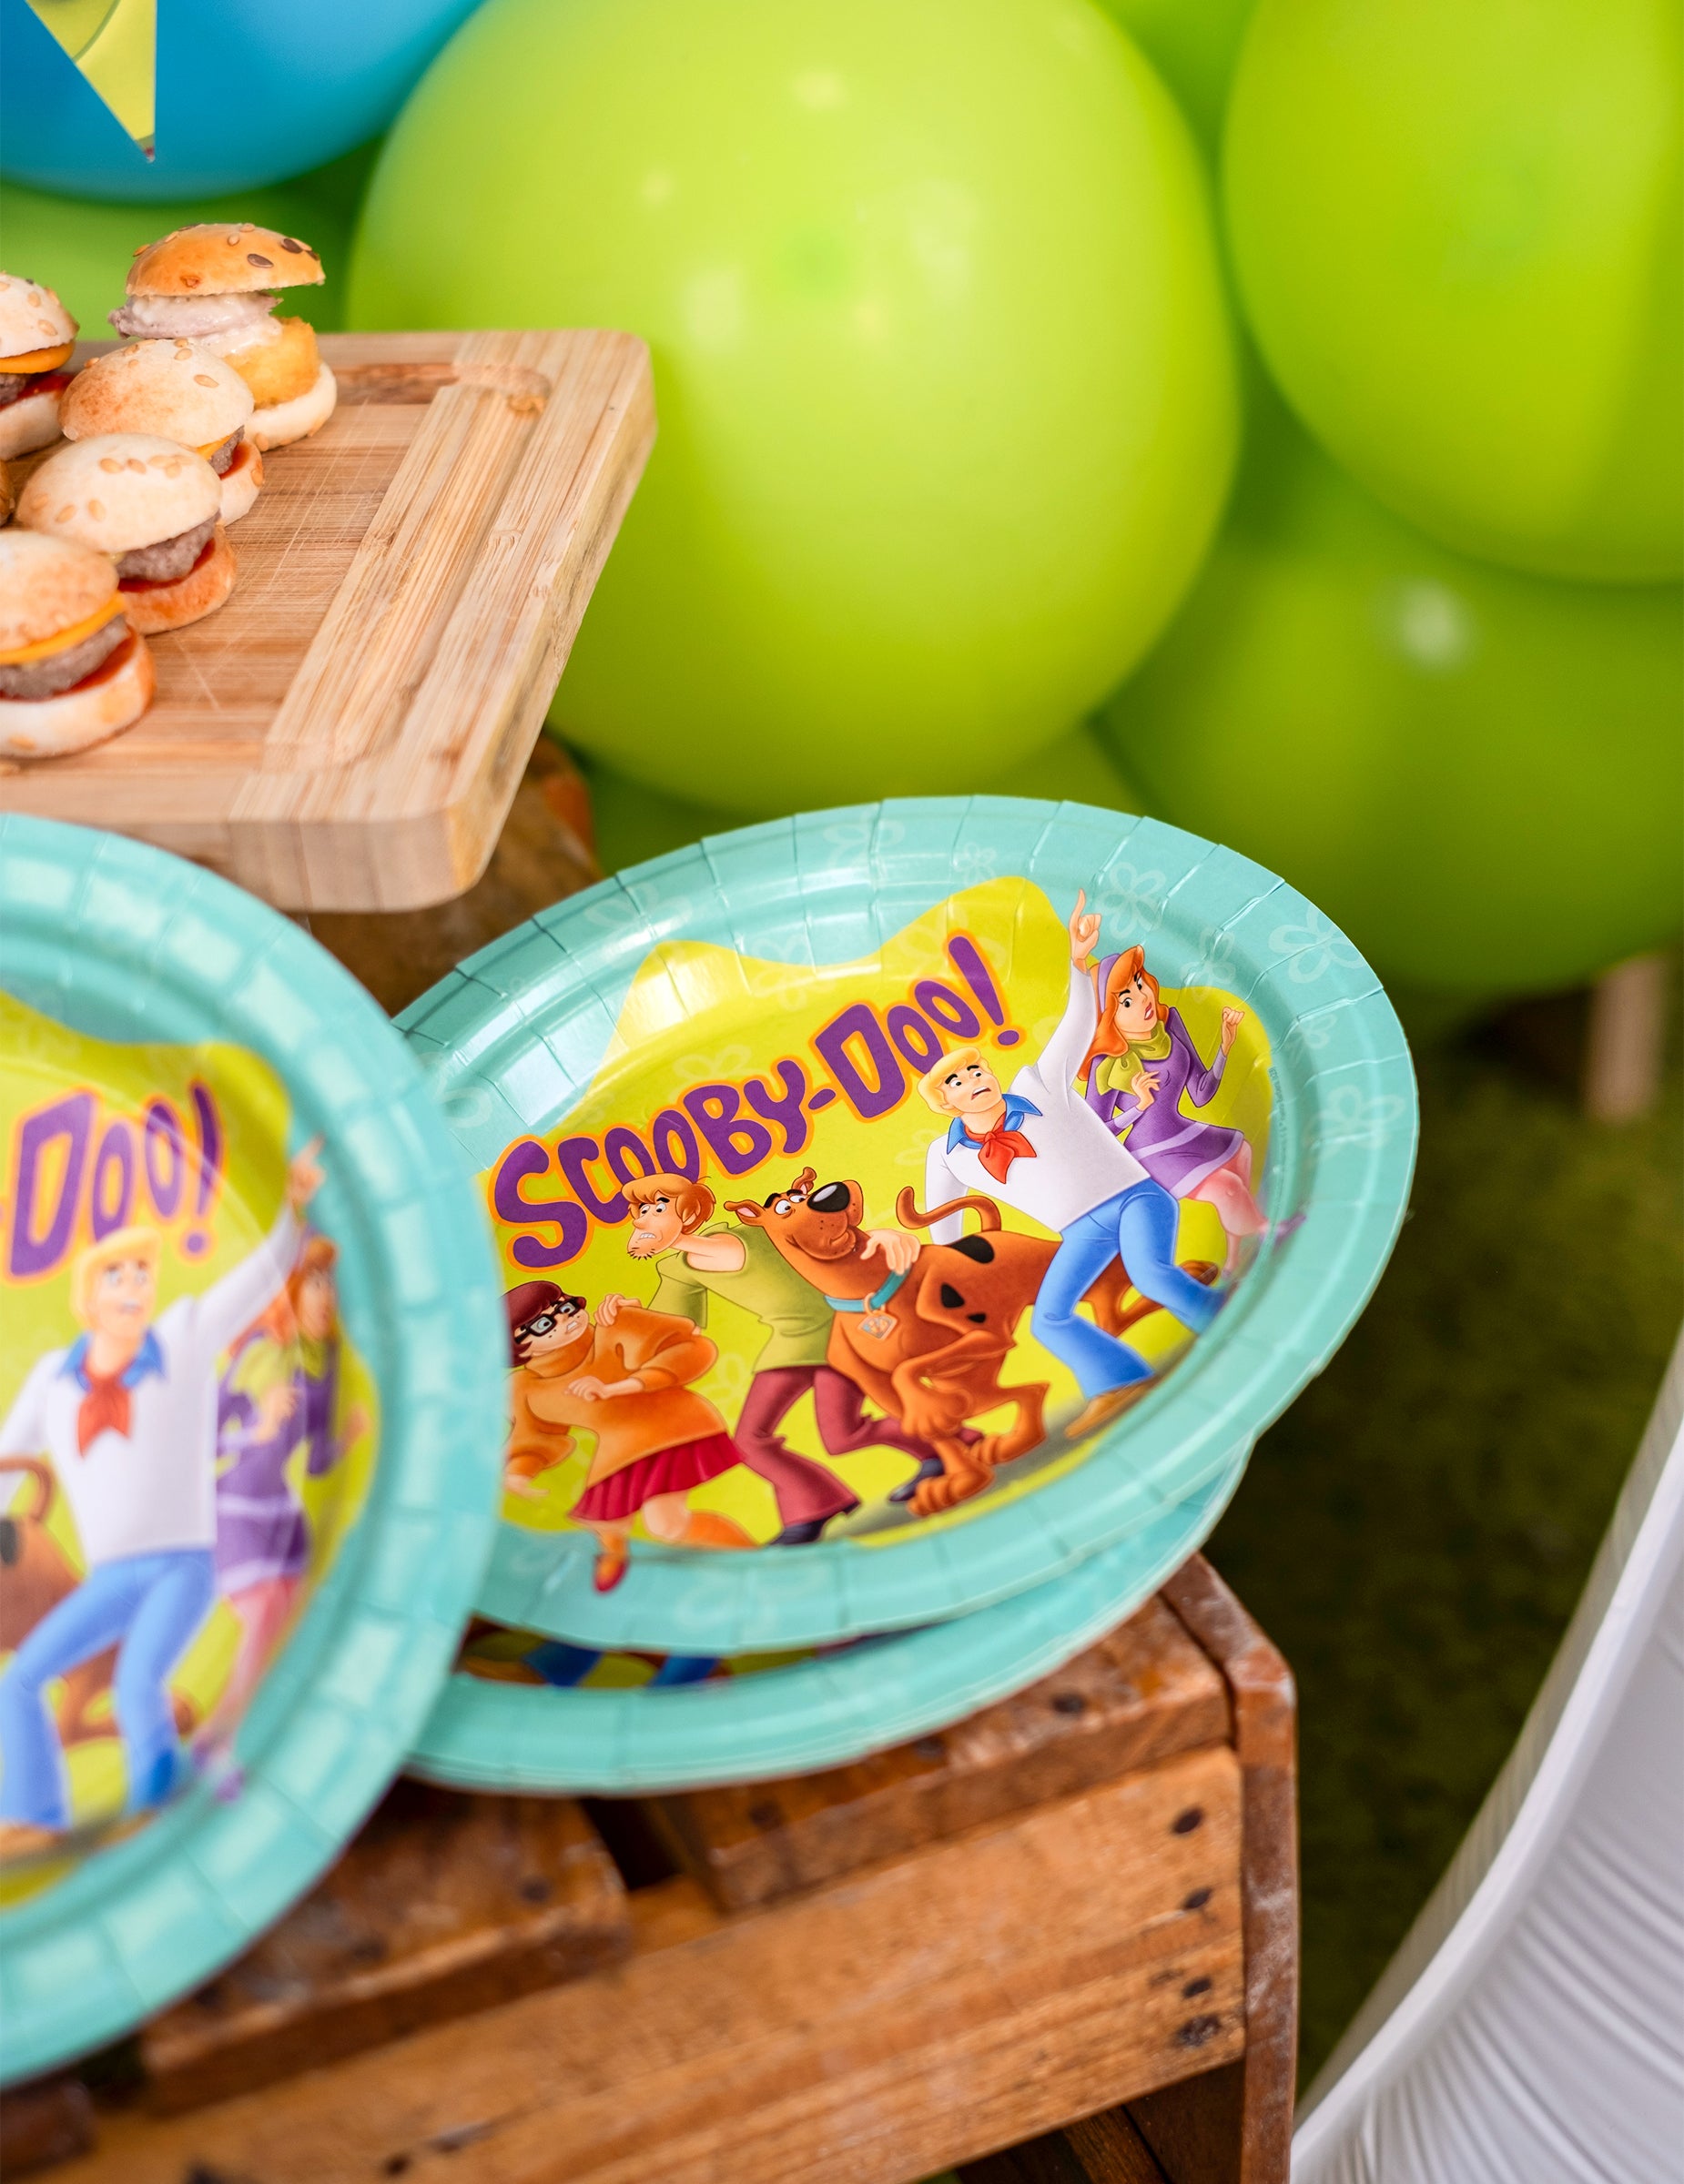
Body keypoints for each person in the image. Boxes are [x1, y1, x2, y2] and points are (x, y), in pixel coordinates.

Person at [0, 1143, 321, 1856]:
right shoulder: (53, 1380)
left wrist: (293, 1210)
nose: (135, 1286)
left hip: (182, 1564)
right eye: (117, 1274)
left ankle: (163, 1818)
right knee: (19, 1683)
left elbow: (250, 1284)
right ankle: (34, 1816)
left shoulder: (181, 1337)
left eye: (142, 1273)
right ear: (87, 1297)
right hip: (112, 1576)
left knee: (139, 1684)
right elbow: (7, 1464)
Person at [918, 894, 1222, 1441]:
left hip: (1136, 1198)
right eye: (957, 1082)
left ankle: (1225, 1324)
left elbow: (1077, 1027)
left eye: (977, 1070)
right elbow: (945, 1225)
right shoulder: (948, 1153)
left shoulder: (1038, 1085)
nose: (974, 1081)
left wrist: (1079, 964)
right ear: (946, 1103)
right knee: (1050, 1318)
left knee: (1150, 1273)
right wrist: (958, 1277)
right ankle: (1120, 1380)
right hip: (1082, 1231)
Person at [596, 1173, 938, 1542]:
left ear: (689, 1212)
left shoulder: (750, 1234)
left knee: (842, 1435)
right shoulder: (677, 1268)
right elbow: (676, 1327)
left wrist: (879, 1238)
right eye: (642, 1211)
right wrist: (629, 1313)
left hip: (836, 1329)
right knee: (749, 1441)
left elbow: (820, 1233)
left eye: (658, 1208)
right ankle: (815, 1505)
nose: (644, 1219)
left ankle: (947, 1447)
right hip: (791, 1342)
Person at [208, 1232, 369, 1744]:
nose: (326, 1297)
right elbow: (206, 1440)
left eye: (331, 1283)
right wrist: (256, 1429)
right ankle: (228, 1733)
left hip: (285, 1512)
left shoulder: (328, 1360)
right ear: (290, 1286)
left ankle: (270, 1731)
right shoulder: (260, 1350)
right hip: (235, 1509)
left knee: (293, 1625)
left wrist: (347, 1439)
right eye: (314, 1281)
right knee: (263, 1618)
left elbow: (317, 1462)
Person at [502, 1283, 752, 1594]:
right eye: (543, 1324)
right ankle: (614, 1551)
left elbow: (691, 1348)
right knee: (600, 1519)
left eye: (566, 1307)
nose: (565, 1319)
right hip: (620, 1450)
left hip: (669, 1426)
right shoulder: (525, 1387)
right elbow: (535, 1437)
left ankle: (752, 1563)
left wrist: (626, 1385)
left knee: (666, 1524)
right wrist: (518, 1472)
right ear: (516, 1347)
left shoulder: (614, 1323)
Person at [1080, 948, 1267, 1277]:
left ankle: (1235, 1260)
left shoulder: (1170, 1024)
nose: (1142, 998)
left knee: (1242, 1152)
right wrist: (1139, 1106)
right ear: (1108, 1017)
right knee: (1227, 1188)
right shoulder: (1106, 1065)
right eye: (1126, 1001)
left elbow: (1201, 1093)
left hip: (1184, 1130)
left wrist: (1224, 1048)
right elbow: (1094, 1135)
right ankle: (1269, 1231)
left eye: (1139, 984)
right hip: (1149, 1152)